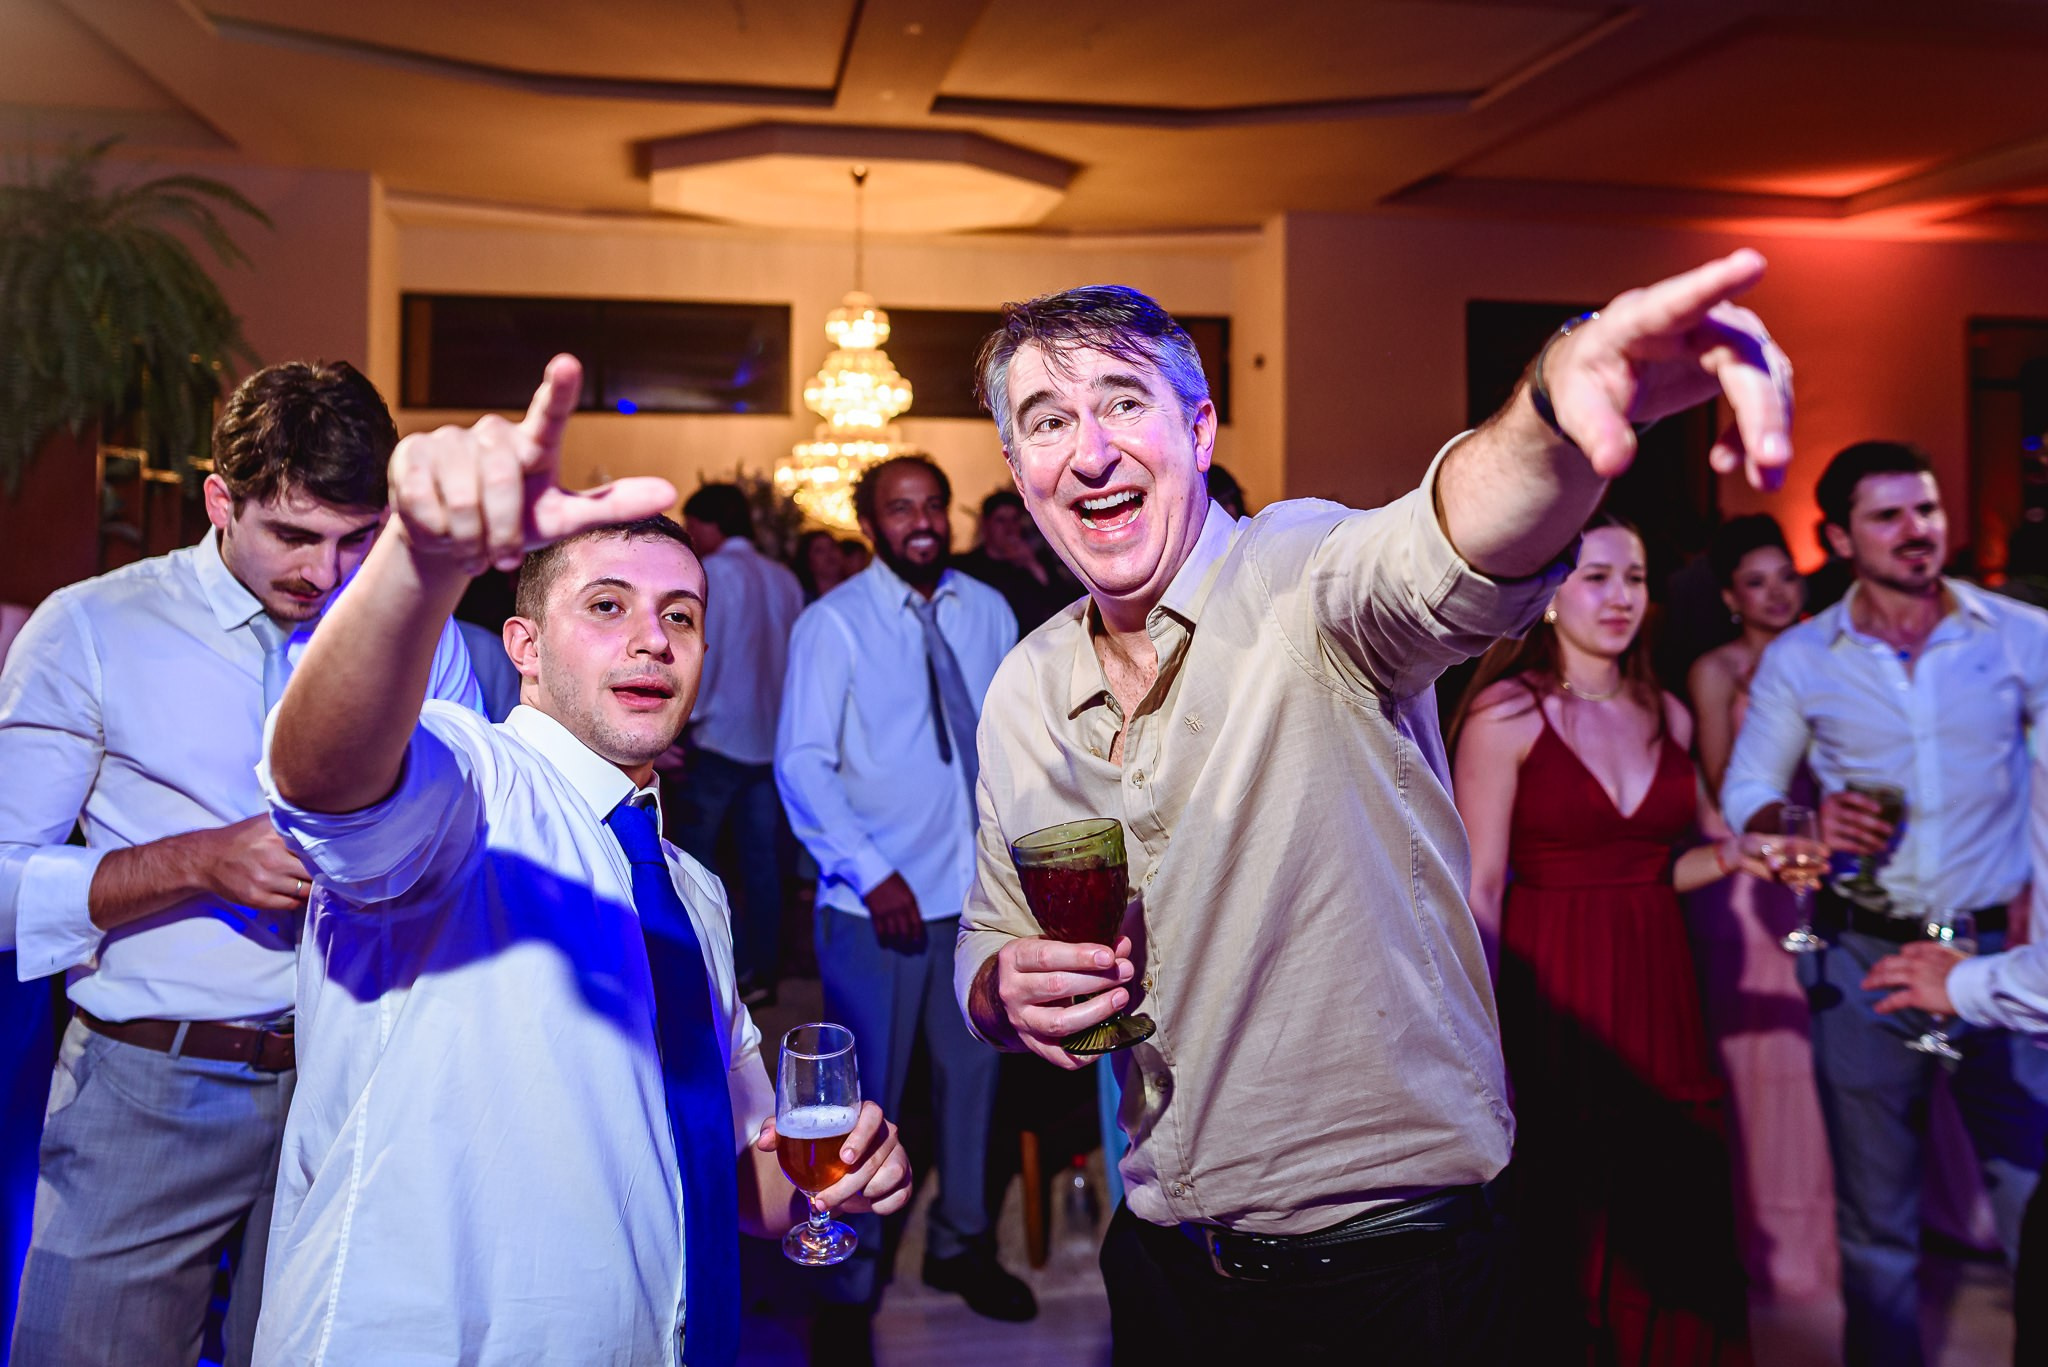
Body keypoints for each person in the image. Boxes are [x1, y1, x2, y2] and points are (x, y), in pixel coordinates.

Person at [952, 253, 1794, 1364]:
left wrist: (1554, 402)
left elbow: (1445, 547)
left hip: (1397, 1277)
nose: (1090, 448)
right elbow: (991, 932)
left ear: (1198, 432)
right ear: (1018, 471)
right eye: (1047, 420)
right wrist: (997, 989)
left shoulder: (1295, 576)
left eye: (1121, 401)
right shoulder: (1022, 688)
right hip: (1165, 1262)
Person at [254, 356, 910, 1365]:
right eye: (606, 606)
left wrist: (829, 1179)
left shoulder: (689, 887)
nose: (653, 637)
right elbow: (320, 774)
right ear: (520, 642)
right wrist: (420, 563)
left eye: (680, 616)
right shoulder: (467, 787)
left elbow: (736, 1172)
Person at [0, 360, 483, 1367]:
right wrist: (198, 862)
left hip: (351, 1081)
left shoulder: (416, 638)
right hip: (148, 1081)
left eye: (358, 538)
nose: (328, 570)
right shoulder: (91, 628)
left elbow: (463, 857)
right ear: (221, 499)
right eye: (294, 535)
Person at [1722, 440, 2048, 1367]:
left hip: (1995, 957)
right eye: (1890, 516)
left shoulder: (2021, 636)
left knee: (2033, 1192)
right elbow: (1751, 789)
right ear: (1837, 535)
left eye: (1929, 511)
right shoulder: (1800, 658)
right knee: (1877, 1225)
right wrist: (1807, 815)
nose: (1919, 532)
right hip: (1860, 953)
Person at [1452, 517, 1762, 1360]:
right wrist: (1482, 1036)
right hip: (1558, 983)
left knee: (1667, 1198)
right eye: (1597, 577)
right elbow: (1480, 888)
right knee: (1573, 1205)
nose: (1622, 596)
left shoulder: (1666, 711)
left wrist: (1741, 852)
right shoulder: (1505, 713)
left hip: (1661, 981)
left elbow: (1674, 861)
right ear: (1548, 593)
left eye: (1636, 577)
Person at [776, 455, 1034, 1364]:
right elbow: (802, 762)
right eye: (900, 508)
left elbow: (1013, 746)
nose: (921, 521)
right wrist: (867, 870)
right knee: (862, 1107)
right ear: (869, 521)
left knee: (972, 1089)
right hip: (870, 909)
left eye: (933, 504)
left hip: (973, 904)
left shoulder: (989, 610)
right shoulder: (831, 624)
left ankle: (963, 1244)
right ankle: (849, 1282)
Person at [1684, 513, 1837, 1301]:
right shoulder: (1718, 671)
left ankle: (1829, 1229)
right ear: (1730, 597)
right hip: (1748, 875)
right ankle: (1773, 1239)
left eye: (1787, 576)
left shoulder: (1830, 655)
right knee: (1764, 1062)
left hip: (1822, 869)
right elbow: (1723, 780)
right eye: (1757, 581)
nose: (1777, 593)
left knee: (1825, 1057)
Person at [675, 481, 806, 1004]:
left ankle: (711, 978)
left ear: (710, 524)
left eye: (694, 524)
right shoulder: (783, 577)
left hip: (719, 736)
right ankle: (764, 975)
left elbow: (705, 653)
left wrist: (683, 722)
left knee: (698, 866)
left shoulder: (714, 574)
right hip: (773, 738)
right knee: (762, 866)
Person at [956, 488, 1081, 632]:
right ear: (986, 524)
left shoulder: (1034, 563)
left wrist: (1032, 565)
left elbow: (1069, 608)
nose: (1009, 528)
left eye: (1014, 519)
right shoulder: (966, 567)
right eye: (1000, 520)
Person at [795, 528, 852, 602]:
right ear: (808, 561)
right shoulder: (802, 600)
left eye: (832, 546)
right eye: (820, 550)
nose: (829, 553)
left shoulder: (856, 591)